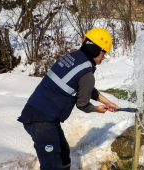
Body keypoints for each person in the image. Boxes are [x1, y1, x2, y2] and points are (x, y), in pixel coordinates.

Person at [18, 28, 119, 170]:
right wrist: (97, 109)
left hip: (36, 113)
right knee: (52, 166)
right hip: (41, 121)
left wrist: (107, 102)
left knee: (64, 156)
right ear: (95, 49)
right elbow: (83, 104)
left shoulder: (72, 58)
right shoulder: (87, 74)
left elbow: (84, 87)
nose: (103, 57)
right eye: (103, 52)